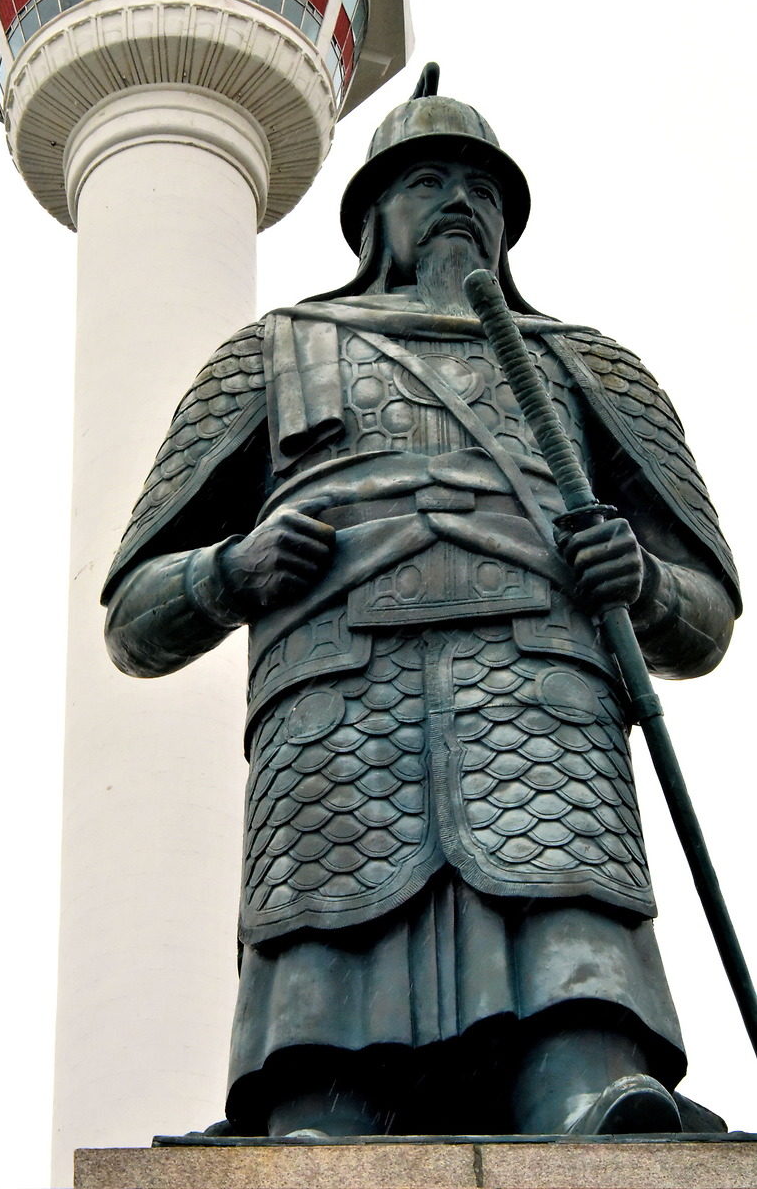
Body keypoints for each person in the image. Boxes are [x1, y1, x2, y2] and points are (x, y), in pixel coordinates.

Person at [101, 66, 740, 1136]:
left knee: (561, 909)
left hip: (542, 702)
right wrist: (232, 569)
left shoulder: (584, 368)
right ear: (373, 217)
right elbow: (134, 615)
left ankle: (582, 1078)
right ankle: (318, 1096)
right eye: (427, 179)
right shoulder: (274, 352)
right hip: (337, 708)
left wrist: (638, 578)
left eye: (481, 187)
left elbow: (704, 614)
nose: (458, 201)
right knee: (327, 942)